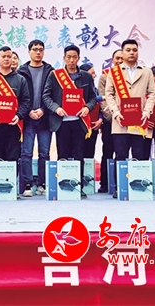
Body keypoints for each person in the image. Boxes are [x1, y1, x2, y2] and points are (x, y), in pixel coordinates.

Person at [42, 45, 96, 198]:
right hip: (62, 121)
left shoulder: (85, 76)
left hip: (79, 121)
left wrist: (87, 107)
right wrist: (56, 108)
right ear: (64, 58)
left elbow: (92, 97)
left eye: (74, 57)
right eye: (69, 57)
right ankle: (63, 185)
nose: (71, 60)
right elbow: (46, 96)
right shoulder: (55, 75)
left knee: (79, 154)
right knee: (63, 154)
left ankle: (78, 186)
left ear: (78, 58)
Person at [105, 39, 155, 198]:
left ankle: (138, 186)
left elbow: (152, 94)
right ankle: (119, 187)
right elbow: (109, 94)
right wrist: (115, 112)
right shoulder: (114, 72)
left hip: (139, 120)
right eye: (128, 50)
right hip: (120, 120)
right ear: (122, 52)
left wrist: (147, 112)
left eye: (134, 50)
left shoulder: (146, 72)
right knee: (120, 155)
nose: (132, 52)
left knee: (139, 155)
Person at [17, 40, 53, 197]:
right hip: (27, 118)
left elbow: (54, 95)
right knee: (26, 152)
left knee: (44, 153)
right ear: (29, 52)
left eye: (41, 49)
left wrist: (43, 110)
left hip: (45, 118)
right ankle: (27, 184)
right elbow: (18, 97)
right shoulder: (21, 72)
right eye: (35, 49)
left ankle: (42, 184)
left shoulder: (51, 71)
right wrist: (28, 111)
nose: (38, 52)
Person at [98, 49, 122, 193]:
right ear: (112, 60)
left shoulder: (131, 76)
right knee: (107, 151)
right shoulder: (105, 76)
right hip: (110, 121)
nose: (119, 61)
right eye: (117, 58)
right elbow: (103, 99)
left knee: (122, 153)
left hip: (127, 121)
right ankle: (105, 183)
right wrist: (112, 116)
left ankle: (121, 184)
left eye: (122, 58)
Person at [80, 63, 103, 162]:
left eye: (94, 73)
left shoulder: (96, 90)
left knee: (90, 154)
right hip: (80, 125)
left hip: (93, 126)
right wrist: (101, 98)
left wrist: (101, 119)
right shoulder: (77, 87)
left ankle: (89, 172)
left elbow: (101, 107)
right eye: (92, 73)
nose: (94, 76)